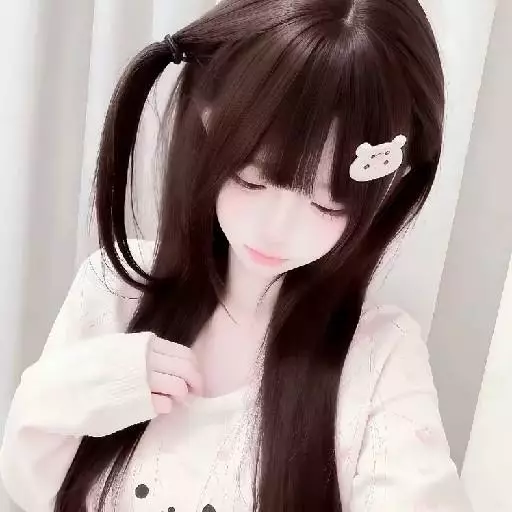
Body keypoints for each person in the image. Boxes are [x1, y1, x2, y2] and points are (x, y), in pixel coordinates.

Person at [0, 0, 474, 510]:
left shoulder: (379, 356)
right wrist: (85, 388)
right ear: (205, 125)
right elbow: (28, 484)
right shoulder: (115, 290)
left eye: (326, 204)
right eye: (252, 179)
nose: (277, 230)